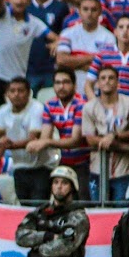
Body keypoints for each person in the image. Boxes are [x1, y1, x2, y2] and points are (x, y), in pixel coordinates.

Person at [0, 0, 57, 110]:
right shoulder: (3, 15)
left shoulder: (34, 23)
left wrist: (56, 43)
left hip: (16, 78)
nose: (19, 0)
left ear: (29, 1)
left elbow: (55, 37)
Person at [27, 67, 90, 200]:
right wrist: (37, 142)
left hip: (85, 162)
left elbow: (75, 140)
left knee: (83, 201)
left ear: (74, 85)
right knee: (61, 199)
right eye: (57, 83)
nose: (61, 86)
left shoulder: (82, 104)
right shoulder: (50, 105)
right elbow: (45, 136)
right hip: (64, 160)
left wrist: (46, 142)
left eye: (66, 82)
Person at [0, 76, 54, 201]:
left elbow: (33, 139)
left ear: (29, 93)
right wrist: (0, 142)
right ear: (7, 94)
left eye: (20, 91)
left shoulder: (37, 108)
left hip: (41, 167)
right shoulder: (3, 111)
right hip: (19, 167)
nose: (16, 94)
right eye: (12, 91)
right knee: (24, 208)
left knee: (38, 207)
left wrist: (5, 145)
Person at [81, 65, 129, 202]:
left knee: (122, 212)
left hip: (123, 170)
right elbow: (89, 138)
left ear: (118, 82)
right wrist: (115, 143)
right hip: (97, 170)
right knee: (98, 213)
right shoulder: (89, 107)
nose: (107, 81)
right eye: (103, 78)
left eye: (111, 78)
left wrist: (114, 136)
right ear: (98, 83)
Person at [15, 165, 90, 257]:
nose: (59, 187)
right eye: (56, 182)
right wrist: (47, 236)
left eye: (64, 183)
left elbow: (66, 246)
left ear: (72, 187)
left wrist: (37, 247)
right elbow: (20, 236)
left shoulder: (78, 215)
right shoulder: (40, 212)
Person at [56, 0, 115, 94]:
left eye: (93, 10)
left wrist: (74, 62)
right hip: (72, 92)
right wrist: (93, 57)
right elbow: (61, 60)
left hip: (98, 91)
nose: (89, 13)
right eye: (85, 9)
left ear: (100, 12)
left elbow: (106, 67)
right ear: (79, 11)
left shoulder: (109, 37)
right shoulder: (67, 33)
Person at [84, 15, 129, 100]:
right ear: (115, 32)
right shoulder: (102, 54)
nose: (125, 31)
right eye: (121, 27)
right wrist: (97, 106)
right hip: (105, 107)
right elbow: (88, 84)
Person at [26, 0, 69, 94]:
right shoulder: (26, 8)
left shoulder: (61, 7)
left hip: (51, 66)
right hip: (29, 67)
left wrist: (59, 42)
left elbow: (66, 33)